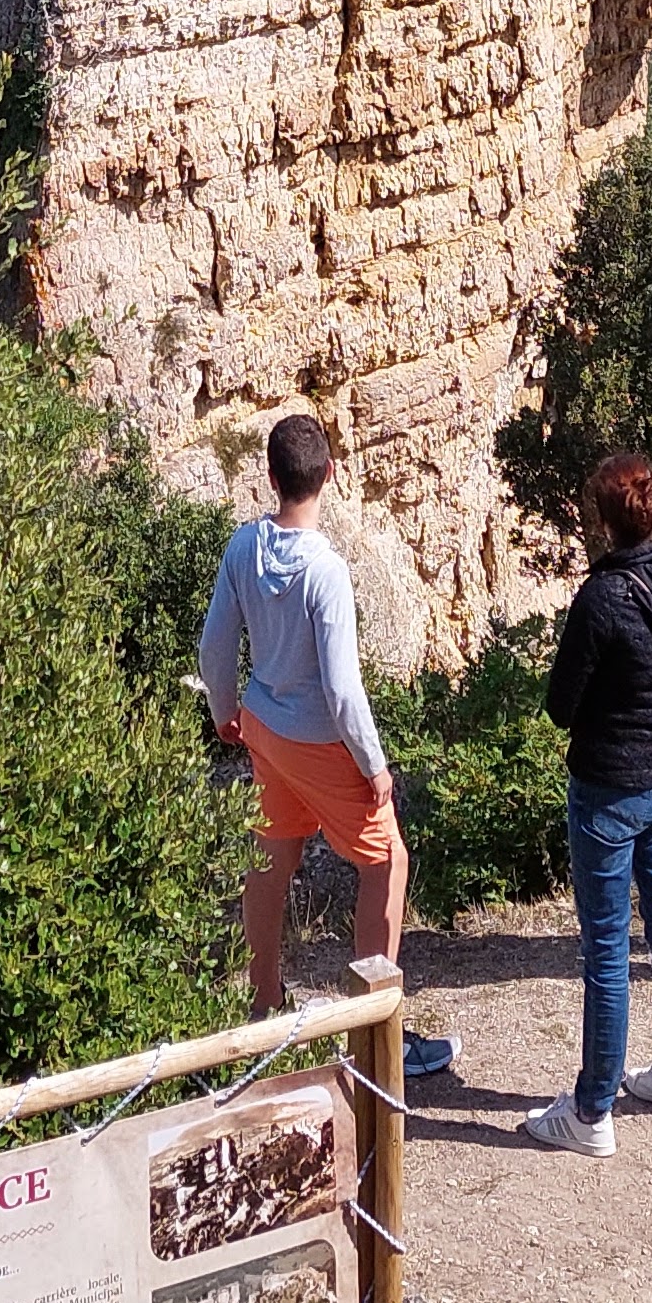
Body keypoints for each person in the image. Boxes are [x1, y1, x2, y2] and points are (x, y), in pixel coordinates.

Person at [198, 412, 453, 1082]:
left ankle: (263, 1005)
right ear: (331, 474)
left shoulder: (243, 546)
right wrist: (375, 766)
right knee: (386, 861)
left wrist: (226, 713)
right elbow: (342, 691)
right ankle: (377, 1032)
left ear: (272, 477)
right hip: (320, 739)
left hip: (265, 728)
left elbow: (215, 646)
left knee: (273, 856)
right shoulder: (327, 571)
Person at [522, 450, 652, 1155]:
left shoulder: (603, 598)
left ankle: (591, 1113)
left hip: (608, 788)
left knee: (607, 949)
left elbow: (560, 706)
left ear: (605, 522)